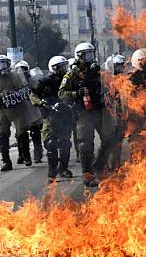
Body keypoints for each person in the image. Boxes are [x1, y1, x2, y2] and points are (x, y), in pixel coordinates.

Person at [59, 42, 110, 187]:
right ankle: (87, 174)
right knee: (85, 144)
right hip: (84, 113)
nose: (91, 57)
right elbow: (62, 93)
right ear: (79, 56)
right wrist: (76, 93)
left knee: (110, 139)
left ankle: (98, 167)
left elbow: (110, 85)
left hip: (100, 111)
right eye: (88, 54)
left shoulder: (99, 71)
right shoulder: (72, 75)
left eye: (92, 54)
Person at [30, 56, 74, 183]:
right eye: (61, 67)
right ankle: (52, 172)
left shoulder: (69, 80)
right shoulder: (45, 81)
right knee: (51, 144)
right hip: (50, 116)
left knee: (65, 143)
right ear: (54, 68)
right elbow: (33, 95)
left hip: (66, 115)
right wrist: (41, 103)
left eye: (65, 66)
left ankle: (63, 169)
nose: (64, 69)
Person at [12, 60, 43, 165]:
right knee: (21, 135)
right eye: (19, 70)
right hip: (20, 112)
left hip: (33, 110)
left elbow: (38, 91)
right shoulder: (14, 83)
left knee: (35, 133)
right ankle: (24, 156)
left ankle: (38, 155)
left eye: (23, 70)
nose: (21, 72)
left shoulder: (32, 81)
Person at [102, 54, 127, 172]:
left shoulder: (124, 79)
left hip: (119, 115)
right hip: (108, 116)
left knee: (118, 141)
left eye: (122, 66)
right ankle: (103, 166)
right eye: (118, 66)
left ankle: (115, 164)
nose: (121, 69)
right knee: (108, 142)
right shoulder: (105, 80)